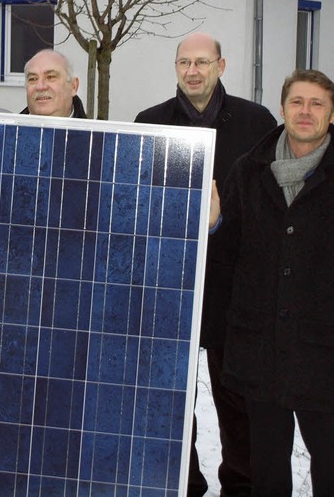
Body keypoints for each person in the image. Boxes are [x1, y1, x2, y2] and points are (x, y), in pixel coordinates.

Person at [135, 32, 276, 497]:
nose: (192, 71)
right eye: (184, 63)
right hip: (168, 283)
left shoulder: (257, 124)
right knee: (172, 402)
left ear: (222, 65)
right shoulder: (151, 123)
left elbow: (271, 205)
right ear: (175, 68)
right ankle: (185, 484)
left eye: (202, 62)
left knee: (236, 401)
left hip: (235, 284)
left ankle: (241, 485)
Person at [210, 69, 334, 496]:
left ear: (331, 113)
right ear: (282, 109)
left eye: (317, 104)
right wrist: (214, 225)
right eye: (298, 102)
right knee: (265, 473)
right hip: (260, 351)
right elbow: (227, 254)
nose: (306, 112)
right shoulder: (248, 170)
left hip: (324, 352)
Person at [21, 48, 87, 118]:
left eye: (50, 77)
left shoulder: (93, 129)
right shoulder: (9, 128)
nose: (40, 87)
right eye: (33, 79)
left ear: (73, 86)